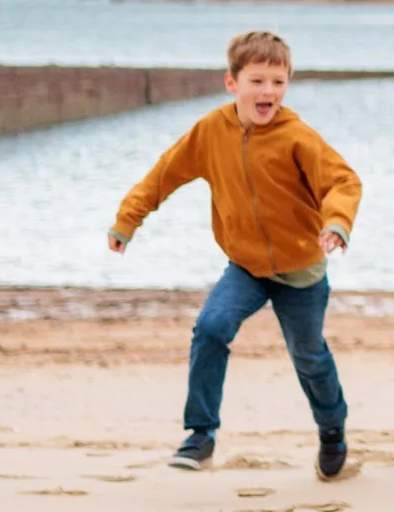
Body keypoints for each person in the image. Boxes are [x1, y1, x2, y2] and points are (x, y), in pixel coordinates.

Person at [107, 30, 360, 480]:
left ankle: (332, 431)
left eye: (278, 82)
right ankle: (200, 435)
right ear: (232, 82)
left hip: (301, 270)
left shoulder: (297, 137)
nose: (269, 92)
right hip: (245, 266)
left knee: (309, 357)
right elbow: (163, 175)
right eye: (258, 81)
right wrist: (128, 220)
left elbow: (342, 182)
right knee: (210, 328)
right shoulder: (211, 132)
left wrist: (336, 223)